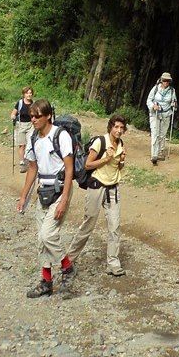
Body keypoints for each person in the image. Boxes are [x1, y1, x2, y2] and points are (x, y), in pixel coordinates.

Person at [15, 99, 75, 298]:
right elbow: (32, 168)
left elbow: (69, 168)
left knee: (47, 235)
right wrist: (23, 196)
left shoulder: (61, 136)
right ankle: (46, 281)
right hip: (43, 191)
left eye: (37, 116)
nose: (33, 119)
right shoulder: (34, 138)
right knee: (41, 240)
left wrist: (65, 198)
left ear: (48, 116)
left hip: (59, 190)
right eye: (31, 116)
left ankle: (67, 268)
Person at [67, 114, 128, 277]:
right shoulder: (100, 142)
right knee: (88, 224)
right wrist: (107, 158)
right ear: (110, 127)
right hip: (96, 186)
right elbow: (87, 165)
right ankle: (69, 259)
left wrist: (121, 161)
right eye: (116, 127)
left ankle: (113, 263)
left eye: (122, 128)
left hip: (113, 188)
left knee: (114, 227)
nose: (119, 130)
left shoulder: (121, 144)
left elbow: (118, 168)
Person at [146, 72, 177, 165]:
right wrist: (153, 106)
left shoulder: (172, 91)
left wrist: (174, 105)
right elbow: (148, 100)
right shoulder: (155, 88)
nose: (166, 82)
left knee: (162, 135)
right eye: (164, 80)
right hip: (155, 114)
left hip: (166, 115)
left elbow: (174, 104)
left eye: (168, 81)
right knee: (155, 133)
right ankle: (154, 155)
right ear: (161, 80)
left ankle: (160, 152)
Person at [10, 86, 35, 172]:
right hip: (20, 125)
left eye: (30, 93)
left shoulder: (33, 104)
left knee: (30, 143)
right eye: (27, 93)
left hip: (31, 125)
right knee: (22, 145)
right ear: (24, 94)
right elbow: (13, 113)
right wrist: (13, 116)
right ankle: (22, 162)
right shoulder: (20, 103)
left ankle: (29, 160)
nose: (29, 95)